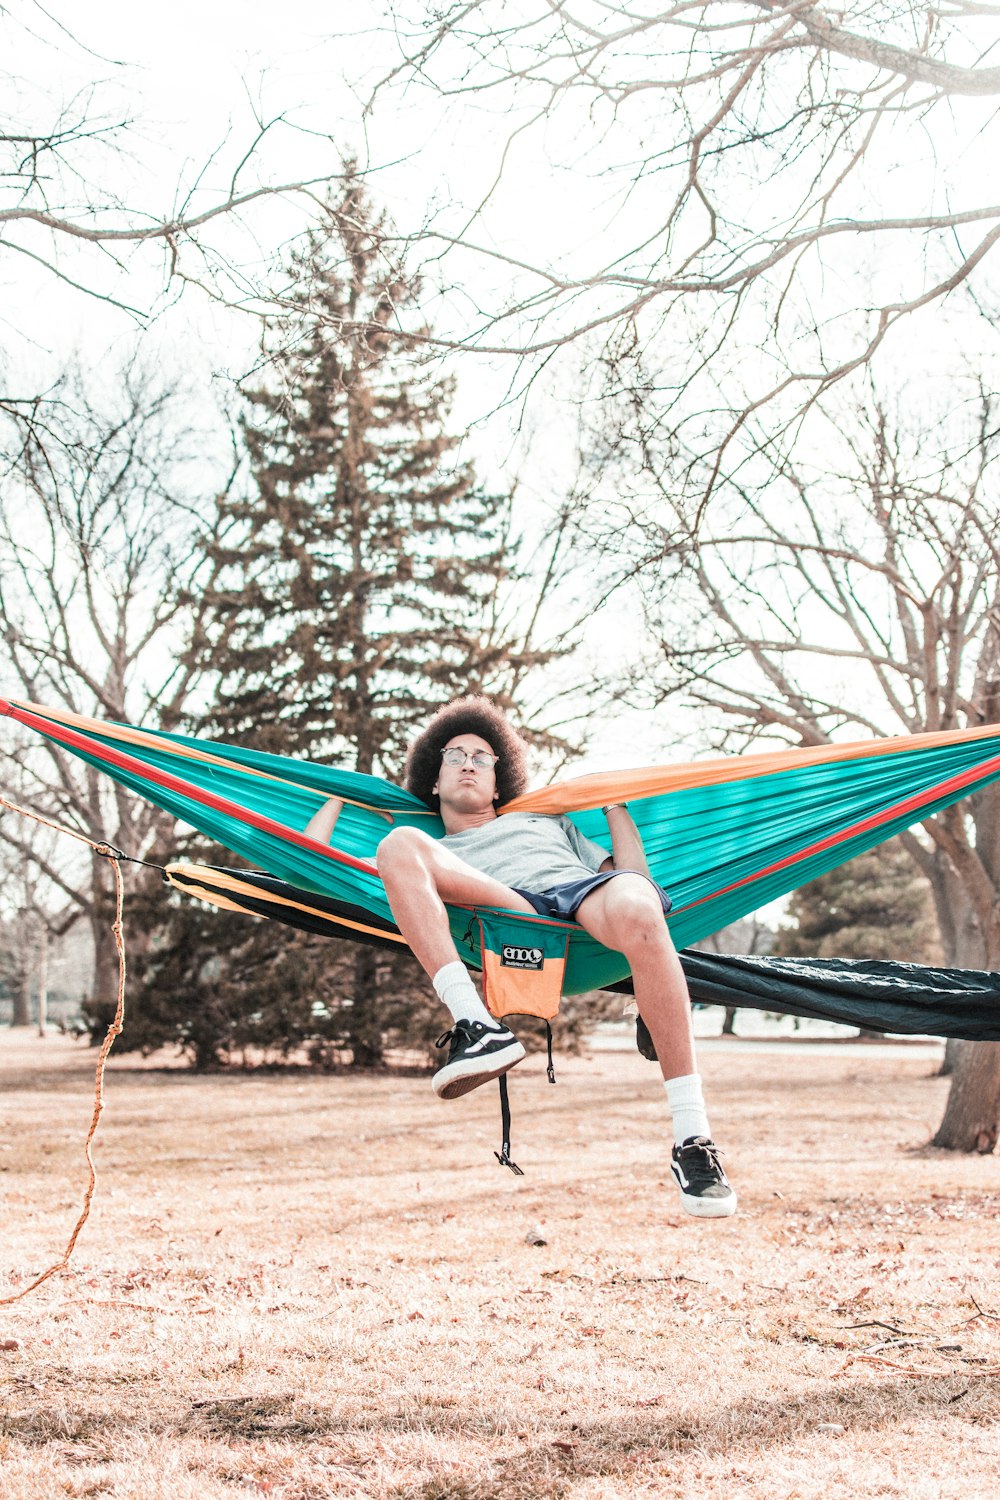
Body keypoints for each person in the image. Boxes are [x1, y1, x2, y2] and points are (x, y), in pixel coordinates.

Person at [304, 696, 736, 1218]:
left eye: (482, 757)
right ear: (434, 781)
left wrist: (614, 802)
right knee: (397, 844)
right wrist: (335, 794)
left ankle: (692, 1139)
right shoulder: (429, 849)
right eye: (455, 755)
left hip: (583, 900)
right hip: (506, 908)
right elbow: (310, 864)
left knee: (641, 905)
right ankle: (476, 1025)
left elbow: (632, 874)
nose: (468, 762)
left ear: (498, 780)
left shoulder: (547, 822)